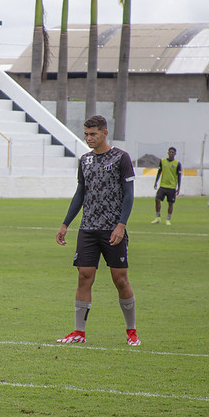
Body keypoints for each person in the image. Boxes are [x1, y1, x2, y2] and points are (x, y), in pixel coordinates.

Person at [55, 115, 140, 346]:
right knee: (84, 277)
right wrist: (65, 224)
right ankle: (79, 332)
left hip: (113, 229)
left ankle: (131, 331)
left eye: (93, 134)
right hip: (88, 229)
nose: (88, 138)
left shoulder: (121, 158)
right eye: (86, 134)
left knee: (120, 280)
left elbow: (129, 194)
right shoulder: (85, 160)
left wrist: (121, 225)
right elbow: (80, 194)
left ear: (104, 133)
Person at [152, 146, 182, 225]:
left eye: (173, 152)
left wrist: (178, 187)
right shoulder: (162, 161)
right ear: (168, 153)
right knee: (157, 199)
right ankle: (158, 217)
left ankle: (168, 219)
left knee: (170, 203)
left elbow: (179, 176)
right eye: (170, 152)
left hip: (172, 187)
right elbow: (159, 172)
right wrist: (156, 182)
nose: (171, 153)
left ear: (175, 154)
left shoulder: (177, 164)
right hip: (163, 185)